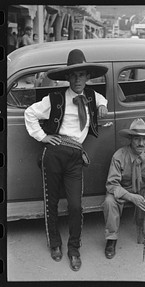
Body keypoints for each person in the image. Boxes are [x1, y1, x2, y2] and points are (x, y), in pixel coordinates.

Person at [24, 49, 108, 271]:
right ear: (68, 78)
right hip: (54, 153)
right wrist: (43, 137)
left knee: (75, 204)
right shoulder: (55, 98)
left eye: (82, 75)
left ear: (88, 77)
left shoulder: (91, 96)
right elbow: (30, 114)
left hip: (75, 157)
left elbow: (101, 99)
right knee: (51, 202)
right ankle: (55, 244)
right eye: (74, 75)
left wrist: (102, 106)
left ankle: (74, 248)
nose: (78, 79)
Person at [103, 118, 145, 259]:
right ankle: (111, 238)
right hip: (125, 190)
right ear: (130, 139)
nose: (141, 143)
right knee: (109, 202)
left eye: (144, 139)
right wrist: (131, 197)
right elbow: (112, 184)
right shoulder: (119, 156)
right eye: (136, 139)